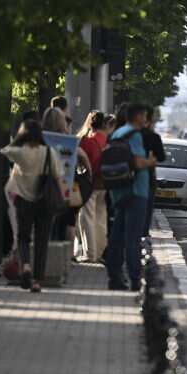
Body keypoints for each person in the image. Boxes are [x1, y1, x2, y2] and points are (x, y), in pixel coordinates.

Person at [1, 120, 62, 293]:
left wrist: (18, 139)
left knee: (23, 237)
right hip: (45, 201)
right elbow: (58, 177)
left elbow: (4, 150)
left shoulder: (19, 152)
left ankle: (26, 266)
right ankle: (37, 281)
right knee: (42, 240)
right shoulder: (49, 153)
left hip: (23, 199)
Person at [106, 103, 156, 291]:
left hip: (118, 190)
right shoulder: (134, 135)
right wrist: (150, 161)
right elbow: (137, 161)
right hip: (136, 190)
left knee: (116, 236)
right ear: (137, 117)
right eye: (144, 115)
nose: (146, 119)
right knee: (132, 237)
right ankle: (135, 278)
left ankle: (114, 276)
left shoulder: (117, 133)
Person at [76, 111, 111, 262]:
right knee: (101, 219)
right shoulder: (106, 140)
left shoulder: (86, 141)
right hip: (105, 183)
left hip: (90, 184)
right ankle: (101, 252)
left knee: (87, 219)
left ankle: (90, 254)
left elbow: (80, 162)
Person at [141, 109, 167, 233]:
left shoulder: (125, 134)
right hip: (147, 178)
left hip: (125, 179)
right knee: (145, 214)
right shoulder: (152, 137)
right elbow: (161, 157)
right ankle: (142, 239)